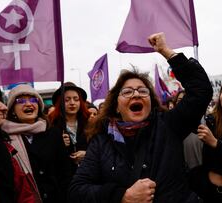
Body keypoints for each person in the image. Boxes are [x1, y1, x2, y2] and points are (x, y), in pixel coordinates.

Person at [68, 32, 213, 203]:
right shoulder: (101, 141)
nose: (136, 94)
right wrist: (122, 196)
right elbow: (77, 191)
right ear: (116, 105)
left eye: (143, 91)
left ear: (151, 102)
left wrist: (166, 52)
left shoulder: (169, 125)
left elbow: (201, 90)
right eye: (127, 92)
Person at [1, 84, 71, 203]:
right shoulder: (3, 136)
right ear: (12, 108)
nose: (28, 104)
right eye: (21, 100)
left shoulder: (53, 133)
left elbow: (65, 172)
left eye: (33, 100)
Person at [48, 82, 90, 175]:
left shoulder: (90, 124)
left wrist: (87, 154)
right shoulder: (51, 125)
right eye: (67, 100)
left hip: (89, 176)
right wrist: (58, 143)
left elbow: (100, 150)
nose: (72, 103)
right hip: (64, 178)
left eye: (76, 99)